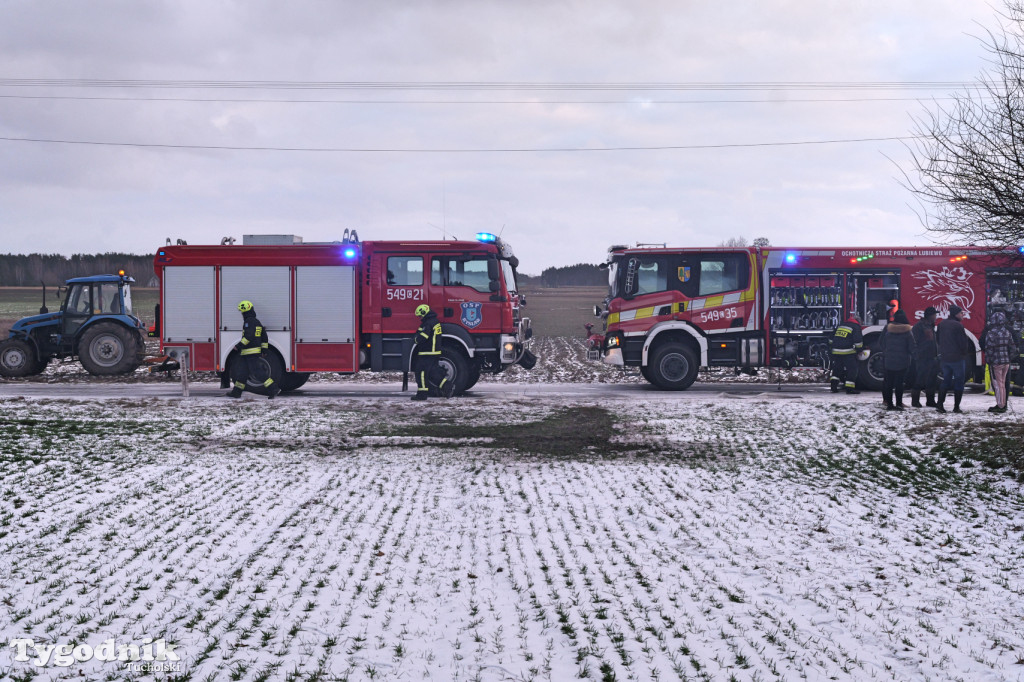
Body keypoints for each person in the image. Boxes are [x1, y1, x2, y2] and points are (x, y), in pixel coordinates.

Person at [227, 300, 280, 399]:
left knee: (258, 373)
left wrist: (238, 346)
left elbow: (248, 336)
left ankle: (273, 388)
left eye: (242, 312)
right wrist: (264, 350)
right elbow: (264, 337)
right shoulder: (257, 322)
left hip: (250, 353)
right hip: (250, 353)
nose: (242, 314)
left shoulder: (248, 322)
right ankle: (237, 392)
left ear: (245, 312)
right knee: (242, 373)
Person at [411, 304, 452, 401]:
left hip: (427, 352)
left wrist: (415, 340)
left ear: (423, 313)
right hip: (434, 352)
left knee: (420, 372)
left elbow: (423, 337)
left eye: (420, 315)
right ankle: (447, 386)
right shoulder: (435, 321)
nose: (420, 318)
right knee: (433, 373)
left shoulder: (428, 323)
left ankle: (422, 395)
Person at [935, 305, 969, 413]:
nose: (963, 315)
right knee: (959, 382)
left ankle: (940, 405)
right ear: (956, 314)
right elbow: (963, 343)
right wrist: (964, 352)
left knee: (946, 381)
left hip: (945, 358)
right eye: (961, 313)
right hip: (957, 358)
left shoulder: (942, 324)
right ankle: (956, 407)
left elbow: (938, 339)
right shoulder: (958, 326)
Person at [879, 309, 915, 410]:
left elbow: (881, 342)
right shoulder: (907, 331)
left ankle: (889, 404)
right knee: (899, 384)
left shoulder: (888, 329)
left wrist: (886, 352)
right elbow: (912, 347)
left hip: (889, 361)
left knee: (889, 383)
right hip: (903, 362)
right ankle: (899, 403)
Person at [982, 310, 1015, 414]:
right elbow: (1012, 348)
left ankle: (1000, 405)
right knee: (1003, 384)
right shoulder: (1007, 332)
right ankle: (1003, 404)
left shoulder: (990, 333)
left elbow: (989, 349)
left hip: (996, 363)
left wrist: (989, 360)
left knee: (998, 384)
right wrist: (1008, 357)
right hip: (1006, 362)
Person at [911, 306, 939, 407]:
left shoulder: (930, 325)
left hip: (932, 357)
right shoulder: (919, 326)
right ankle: (915, 401)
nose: (936, 316)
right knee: (919, 379)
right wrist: (917, 355)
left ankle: (930, 400)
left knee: (932, 380)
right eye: (935, 314)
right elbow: (914, 342)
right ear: (930, 316)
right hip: (922, 358)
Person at [829, 311, 863, 395]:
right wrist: (859, 350)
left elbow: (831, 339)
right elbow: (858, 341)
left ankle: (833, 387)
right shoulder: (856, 327)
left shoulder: (841, 325)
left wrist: (832, 348)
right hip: (847, 351)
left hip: (836, 351)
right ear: (858, 322)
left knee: (837, 369)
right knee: (852, 369)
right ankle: (849, 388)